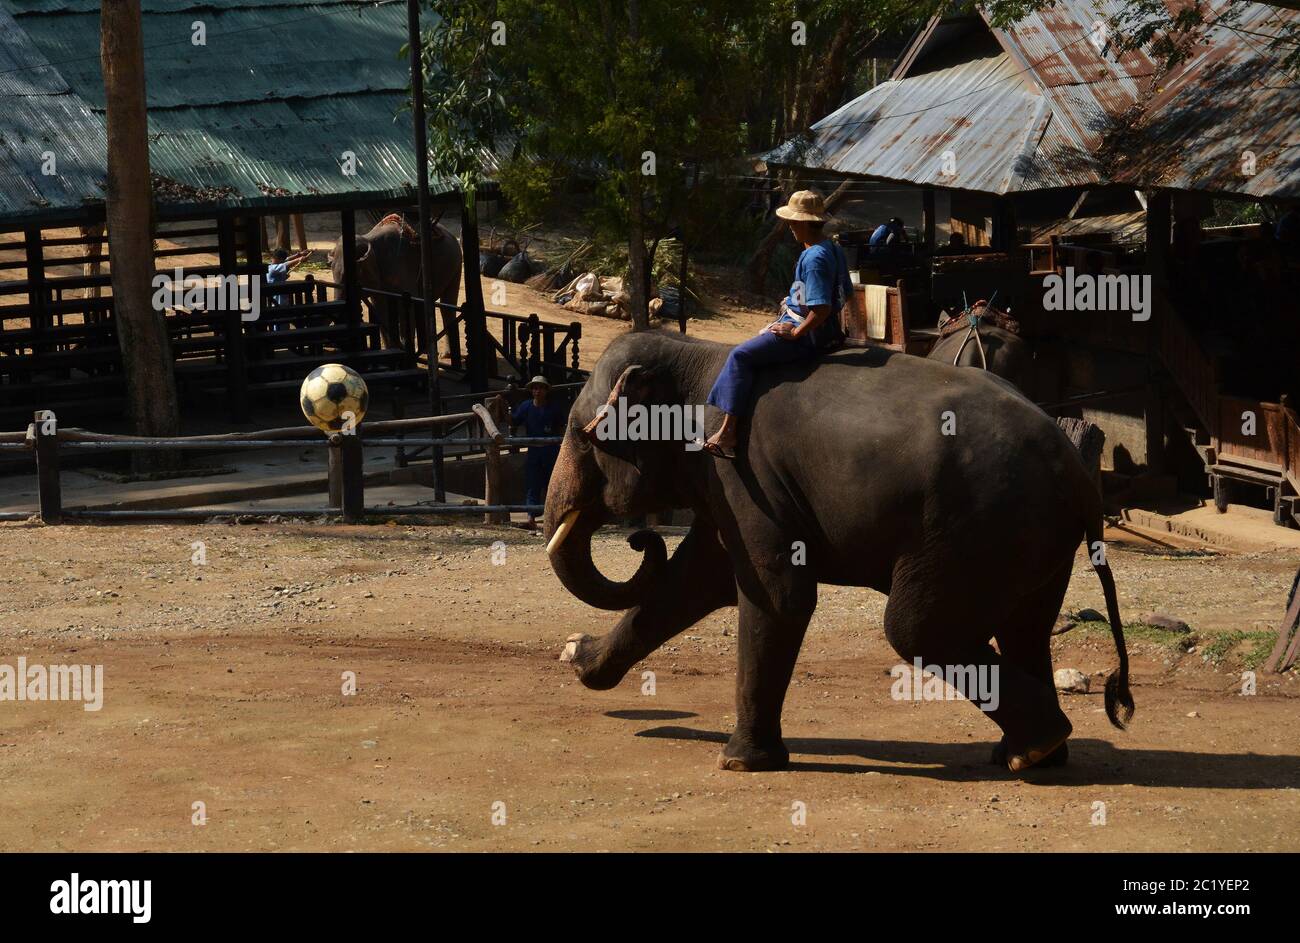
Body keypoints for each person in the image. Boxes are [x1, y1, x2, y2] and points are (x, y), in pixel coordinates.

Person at [702, 189, 851, 458]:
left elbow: (822, 308)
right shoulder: (832, 248)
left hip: (811, 335)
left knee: (740, 356)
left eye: (794, 222)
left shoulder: (815, 258)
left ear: (806, 223)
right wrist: (794, 299)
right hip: (826, 328)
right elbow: (843, 293)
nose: (791, 227)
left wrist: (795, 331)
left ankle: (728, 432)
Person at [511, 376, 565, 528]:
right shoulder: (526, 407)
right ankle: (531, 518)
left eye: (540, 388)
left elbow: (561, 427)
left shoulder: (554, 408)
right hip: (534, 450)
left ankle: (554, 517)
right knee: (532, 484)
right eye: (535, 388)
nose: (537, 391)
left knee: (552, 484)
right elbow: (514, 421)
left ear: (546, 390)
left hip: (551, 450)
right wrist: (502, 410)